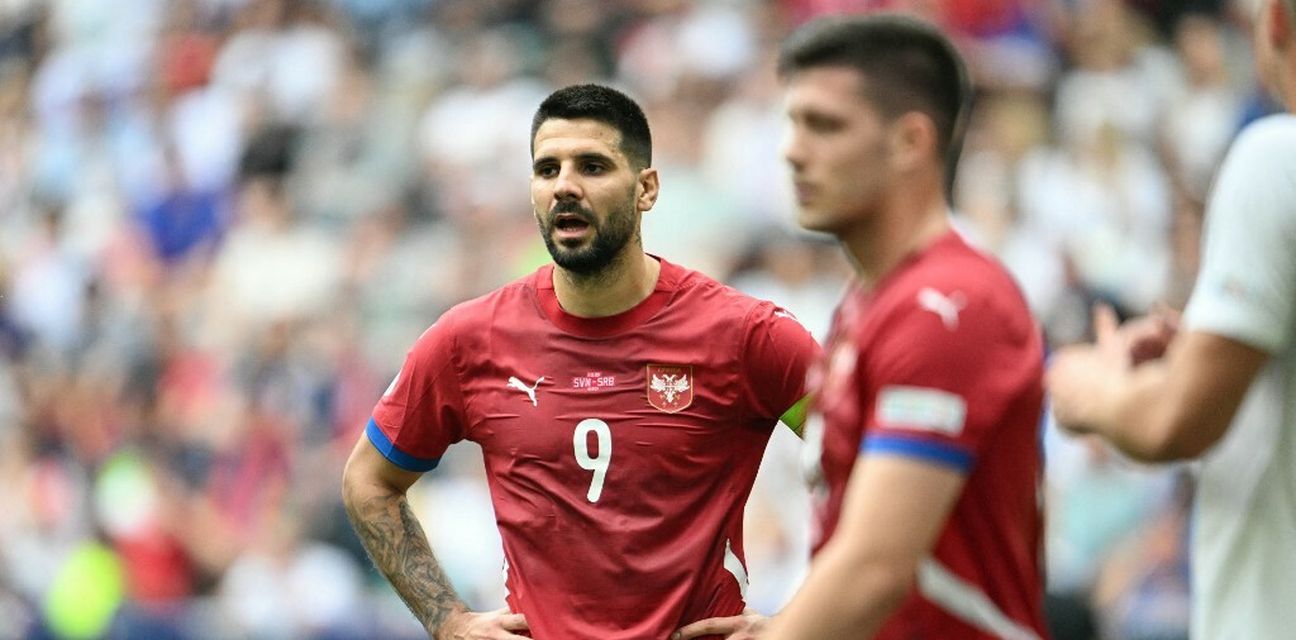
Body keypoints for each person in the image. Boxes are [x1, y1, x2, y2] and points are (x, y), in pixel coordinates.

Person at [340, 84, 821, 640]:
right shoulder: (467, 340)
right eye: (547, 170)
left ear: (646, 189)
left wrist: (800, 624)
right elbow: (369, 481)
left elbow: (871, 464)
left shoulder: (748, 336)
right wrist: (447, 620)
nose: (565, 186)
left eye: (592, 166)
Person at [676, 14, 1047, 640]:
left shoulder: (950, 307)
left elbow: (875, 568)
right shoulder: (866, 305)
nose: (792, 150)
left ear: (910, 142)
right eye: (792, 123)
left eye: (824, 125)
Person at [1047, 0, 1296, 636]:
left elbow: (1174, 422)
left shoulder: (1275, 157)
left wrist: (1086, 385)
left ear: (1273, 22)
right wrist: (1215, 354)